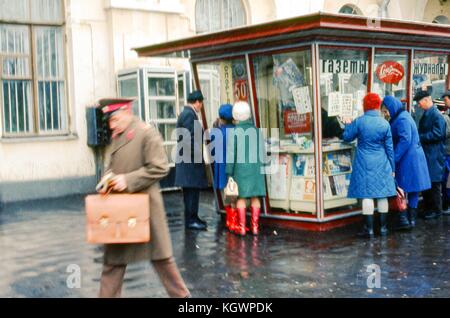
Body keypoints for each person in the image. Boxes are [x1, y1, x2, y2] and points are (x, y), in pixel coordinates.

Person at [97, 98, 190, 298]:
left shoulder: (146, 133)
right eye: (109, 121)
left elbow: (160, 167)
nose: (111, 125)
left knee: (163, 262)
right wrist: (107, 180)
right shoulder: (118, 135)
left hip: (146, 211)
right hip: (121, 213)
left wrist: (128, 180)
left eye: (114, 119)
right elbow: (114, 166)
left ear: (126, 112)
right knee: (112, 265)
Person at [342, 93, 397, 238]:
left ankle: (369, 230)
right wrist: (393, 168)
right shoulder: (385, 123)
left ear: (364, 105)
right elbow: (390, 149)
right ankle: (384, 229)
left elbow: (347, 137)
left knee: (367, 195)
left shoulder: (360, 121)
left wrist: (347, 124)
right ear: (378, 106)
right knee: (382, 194)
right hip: (382, 161)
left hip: (364, 161)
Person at [381, 96, 431, 229]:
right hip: (413, 157)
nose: (386, 114)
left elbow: (405, 140)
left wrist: (394, 157)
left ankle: (405, 219)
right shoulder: (403, 115)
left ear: (392, 108)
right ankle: (411, 219)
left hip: (407, 158)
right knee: (413, 188)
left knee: (403, 187)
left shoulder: (402, 118)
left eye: (386, 111)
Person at [226, 101, 266, 236]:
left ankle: (242, 228)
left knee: (241, 198)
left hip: (240, 170)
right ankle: (255, 228)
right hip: (255, 169)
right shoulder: (257, 131)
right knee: (255, 197)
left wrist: (229, 172)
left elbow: (231, 155)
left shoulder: (234, 132)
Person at [175, 90, 209, 231]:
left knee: (191, 192)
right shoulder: (189, 115)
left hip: (187, 161)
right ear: (197, 102)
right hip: (190, 162)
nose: (201, 107)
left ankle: (193, 217)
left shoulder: (186, 113)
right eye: (201, 103)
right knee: (191, 193)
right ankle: (191, 220)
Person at [415, 91, 447, 220]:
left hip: (434, 155)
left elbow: (438, 134)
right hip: (429, 154)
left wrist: (421, 137)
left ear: (427, 100)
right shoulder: (429, 114)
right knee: (428, 183)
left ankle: (436, 211)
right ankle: (429, 209)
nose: (418, 105)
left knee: (434, 184)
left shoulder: (436, 115)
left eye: (419, 102)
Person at [211, 104, 237, 231]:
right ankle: (235, 221)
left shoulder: (217, 132)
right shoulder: (237, 131)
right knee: (234, 194)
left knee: (225, 195)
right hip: (234, 168)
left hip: (221, 168)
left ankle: (229, 220)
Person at [434, 97, 450, 216]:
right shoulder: (447, 118)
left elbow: (443, 135)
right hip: (447, 153)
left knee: (446, 180)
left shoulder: (442, 118)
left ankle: (446, 205)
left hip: (446, 153)